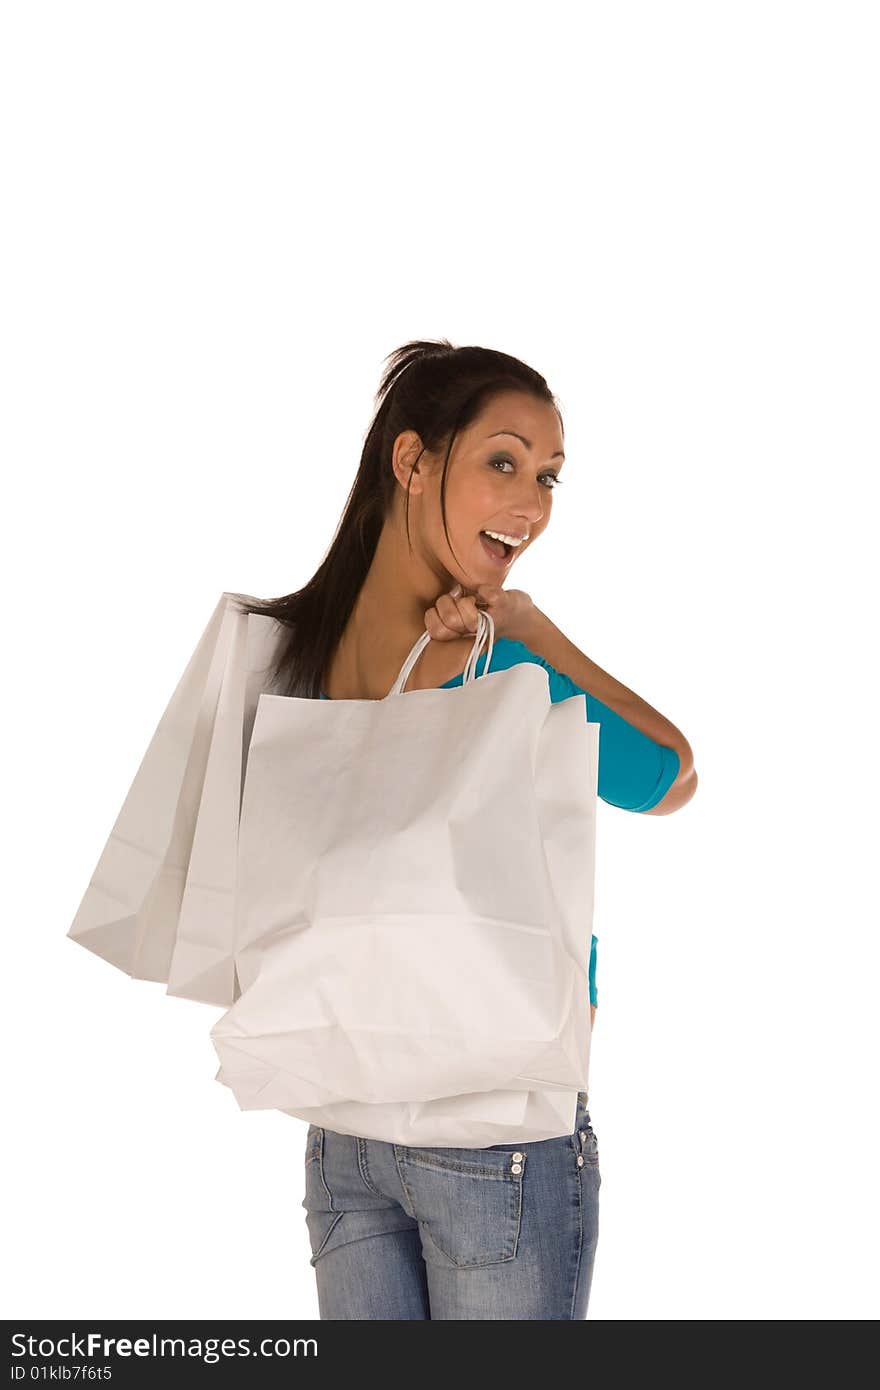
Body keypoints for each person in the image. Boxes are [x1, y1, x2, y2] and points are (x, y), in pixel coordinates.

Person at [234, 338, 697, 1319]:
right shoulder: (500, 669)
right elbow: (669, 776)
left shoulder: (285, 660)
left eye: (548, 475)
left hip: (340, 1118)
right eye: (503, 459)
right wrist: (531, 628)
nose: (531, 503)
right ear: (412, 461)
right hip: (497, 1130)